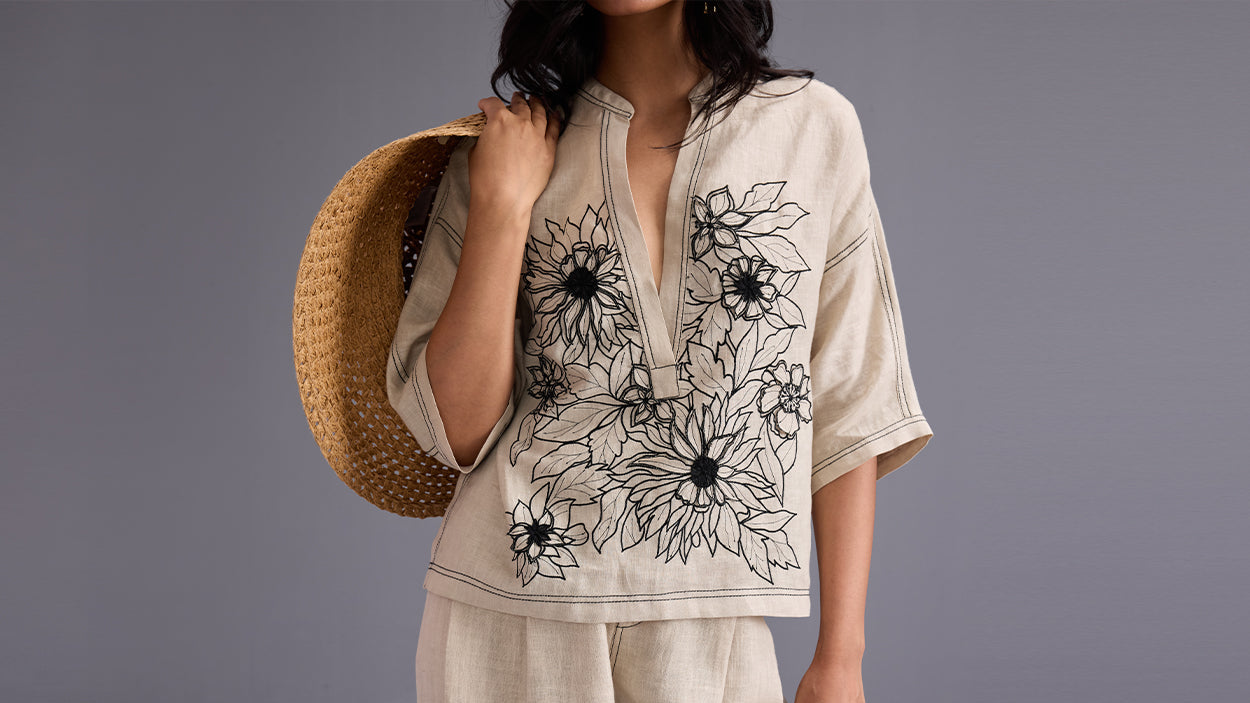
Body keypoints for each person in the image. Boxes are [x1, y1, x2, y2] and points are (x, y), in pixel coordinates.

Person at [386, 1, 934, 700]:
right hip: (508, 611)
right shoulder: (506, 148)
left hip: (714, 615)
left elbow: (848, 401)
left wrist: (841, 654)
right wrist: (501, 205)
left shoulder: (812, 127)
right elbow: (458, 431)